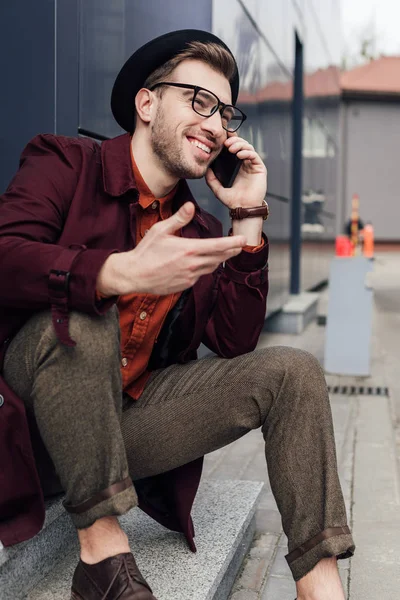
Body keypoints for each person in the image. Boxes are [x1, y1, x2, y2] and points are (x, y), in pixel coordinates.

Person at [0, 29, 354, 600]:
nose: (216, 125)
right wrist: (114, 274)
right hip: (36, 424)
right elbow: (6, 256)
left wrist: (248, 220)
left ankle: (322, 587)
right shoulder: (65, 163)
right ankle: (102, 556)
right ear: (146, 103)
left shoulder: (199, 229)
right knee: (84, 316)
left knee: (293, 371)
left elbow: (235, 345)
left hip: (125, 431)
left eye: (225, 113)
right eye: (199, 101)